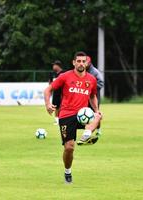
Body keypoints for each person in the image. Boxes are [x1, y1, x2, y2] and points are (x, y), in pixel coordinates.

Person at [44, 51, 102, 184]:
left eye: (83, 61)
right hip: (66, 115)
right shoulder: (65, 76)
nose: (81, 64)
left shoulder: (91, 79)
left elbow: (92, 96)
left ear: (87, 63)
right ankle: (67, 172)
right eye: (79, 61)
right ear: (74, 62)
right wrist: (48, 104)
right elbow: (48, 90)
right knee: (69, 147)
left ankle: (86, 135)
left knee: (98, 116)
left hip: (82, 114)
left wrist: (96, 110)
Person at [86, 56, 104, 136]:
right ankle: (87, 130)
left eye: (86, 62)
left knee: (96, 113)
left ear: (89, 63)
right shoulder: (82, 71)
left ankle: (99, 129)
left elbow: (101, 83)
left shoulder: (95, 72)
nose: (84, 64)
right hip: (85, 96)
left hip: (94, 96)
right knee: (85, 113)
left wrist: (92, 88)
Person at [48, 60, 65, 125]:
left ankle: (61, 119)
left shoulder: (63, 73)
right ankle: (57, 119)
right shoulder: (53, 74)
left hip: (62, 92)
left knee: (61, 106)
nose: (53, 66)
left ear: (58, 66)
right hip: (55, 93)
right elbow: (50, 83)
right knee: (55, 106)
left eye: (54, 65)